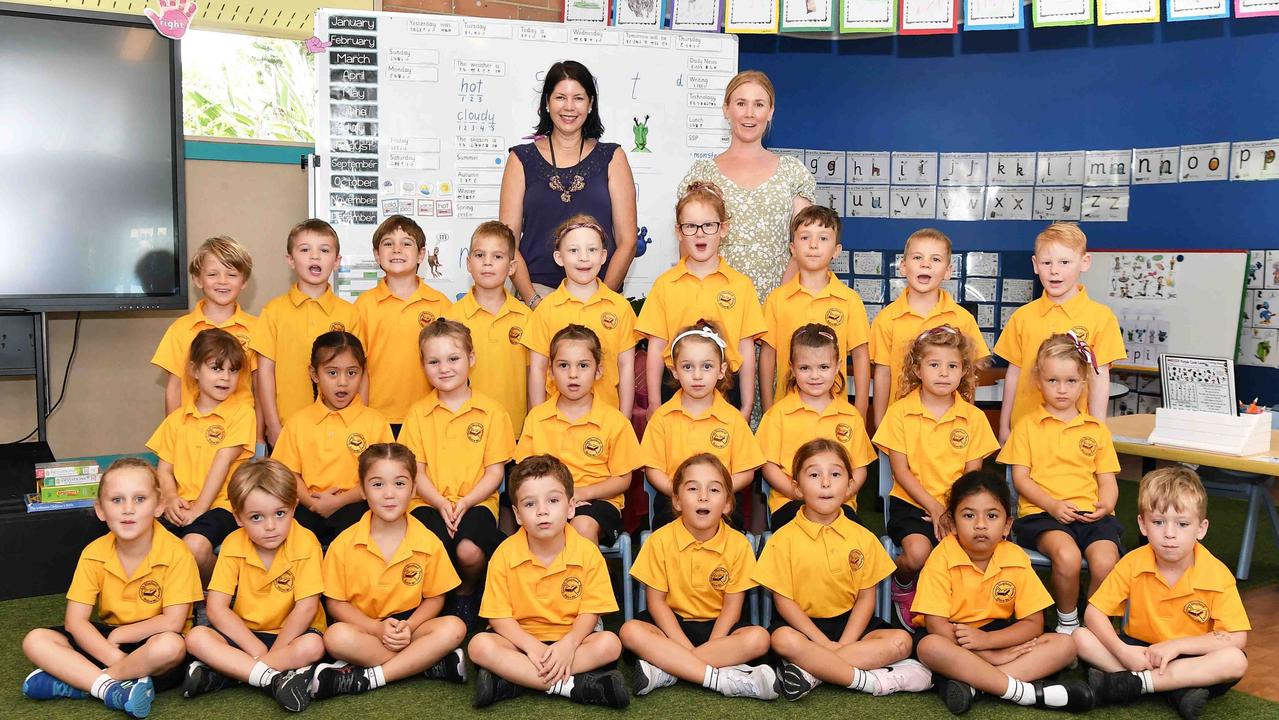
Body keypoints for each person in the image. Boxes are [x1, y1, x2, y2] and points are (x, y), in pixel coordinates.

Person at [21, 458, 201, 718]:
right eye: (117, 500)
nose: (128, 509)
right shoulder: (93, 553)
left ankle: (82, 682)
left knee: (170, 647)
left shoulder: (177, 553)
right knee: (36, 640)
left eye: (140, 499)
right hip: (110, 641)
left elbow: (173, 622)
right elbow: (75, 622)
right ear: (101, 510)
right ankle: (112, 688)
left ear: (159, 505)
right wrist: (115, 657)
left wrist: (122, 637)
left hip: (154, 642)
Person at [754, 439, 930, 702]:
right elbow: (784, 604)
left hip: (852, 626)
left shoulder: (863, 537)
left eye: (835, 474)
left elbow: (866, 598)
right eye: (814, 474)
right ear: (797, 487)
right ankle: (868, 681)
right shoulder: (783, 539)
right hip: (804, 628)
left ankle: (811, 673)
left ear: (850, 485)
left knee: (902, 640)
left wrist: (846, 641)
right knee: (782, 641)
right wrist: (823, 643)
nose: (825, 483)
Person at [1074, 467, 1250, 719]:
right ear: (1143, 524)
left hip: (1191, 655)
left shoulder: (1217, 574)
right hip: (1140, 651)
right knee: (1080, 637)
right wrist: (1122, 651)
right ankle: (1176, 690)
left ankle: (1135, 684)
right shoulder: (1133, 562)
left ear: (1201, 528)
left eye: (1182, 524)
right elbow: (1094, 613)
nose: (1169, 534)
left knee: (1235, 660)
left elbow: (1236, 638)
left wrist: (1177, 646)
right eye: (1158, 522)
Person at [914, 471, 1093, 714]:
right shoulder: (941, 557)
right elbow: (936, 625)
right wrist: (986, 654)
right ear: (953, 524)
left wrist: (989, 642)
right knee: (929, 647)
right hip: (955, 638)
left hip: (999, 636)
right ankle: (1024, 693)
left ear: (1007, 525)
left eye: (992, 515)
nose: (980, 525)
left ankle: (976, 686)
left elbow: (1033, 624)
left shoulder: (1015, 557)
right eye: (968, 516)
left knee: (1065, 645)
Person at [468, 455, 628, 709]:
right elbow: (498, 617)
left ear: (571, 507)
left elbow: (590, 611)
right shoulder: (504, 554)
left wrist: (569, 644)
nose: (542, 511)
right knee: (479, 646)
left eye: (553, 501)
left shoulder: (587, 552)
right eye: (530, 504)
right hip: (520, 641)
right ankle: (575, 687)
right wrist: (531, 646)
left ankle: (514, 680)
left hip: (572, 641)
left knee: (610, 644)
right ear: (518, 515)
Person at [313, 443, 468, 699]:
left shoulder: (428, 541)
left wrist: (409, 627)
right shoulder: (344, 543)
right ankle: (425, 664)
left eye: (399, 483)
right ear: (362, 490)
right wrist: (376, 629)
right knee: (335, 637)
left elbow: (435, 597)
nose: (389, 494)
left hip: (411, 627)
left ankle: (373, 677)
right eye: (377, 484)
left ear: (414, 489)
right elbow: (335, 604)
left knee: (455, 627)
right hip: (365, 629)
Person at [872, 326, 999, 630]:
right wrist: (934, 507)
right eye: (934, 365)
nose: (943, 373)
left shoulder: (974, 418)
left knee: (970, 551)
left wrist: (954, 511)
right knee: (918, 554)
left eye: (952, 366)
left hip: (959, 505)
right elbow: (900, 472)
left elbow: (973, 476)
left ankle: (960, 605)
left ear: (964, 371)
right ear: (917, 369)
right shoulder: (900, 413)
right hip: (912, 502)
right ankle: (902, 582)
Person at [620, 454, 775, 700]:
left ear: (727, 504)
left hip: (719, 629)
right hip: (671, 626)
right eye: (693, 488)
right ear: (678, 501)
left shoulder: (738, 544)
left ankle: (668, 670)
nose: (703, 496)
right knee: (630, 631)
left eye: (714, 489)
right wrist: (684, 646)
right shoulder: (659, 540)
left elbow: (732, 609)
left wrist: (708, 647)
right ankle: (719, 677)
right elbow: (657, 604)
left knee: (759, 639)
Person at [999, 333, 1122, 635]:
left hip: (1091, 515)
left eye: (1070, 381)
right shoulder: (1027, 427)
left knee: (1106, 561)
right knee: (1066, 556)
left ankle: (1095, 624)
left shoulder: (1096, 430)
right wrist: (1053, 505)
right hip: (1042, 515)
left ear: (1084, 383)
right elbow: (1020, 479)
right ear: (1039, 382)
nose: (1062, 389)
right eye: (1053, 380)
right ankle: (1068, 622)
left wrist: (1107, 504)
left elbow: (1107, 481)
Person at [180, 458, 325, 712]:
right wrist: (256, 648)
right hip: (246, 636)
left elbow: (306, 608)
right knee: (196, 638)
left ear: (294, 508)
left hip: (291, 637)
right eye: (256, 517)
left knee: (313, 647)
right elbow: (216, 608)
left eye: (280, 514)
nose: (270, 526)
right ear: (238, 517)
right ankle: (274, 679)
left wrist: (273, 652)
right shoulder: (234, 544)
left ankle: (231, 674)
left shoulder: (306, 542)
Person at [400, 319, 514, 628]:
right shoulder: (417, 414)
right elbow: (416, 472)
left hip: (476, 503)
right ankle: (435, 604)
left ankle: (466, 592)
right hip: (426, 502)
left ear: (471, 359)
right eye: (434, 361)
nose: (444, 368)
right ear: (423, 365)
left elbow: (495, 473)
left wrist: (464, 503)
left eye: (453, 359)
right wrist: (439, 502)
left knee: (467, 550)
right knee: (432, 547)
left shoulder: (492, 412)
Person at [499, 60, 637, 303]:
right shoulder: (520, 159)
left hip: (600, 295)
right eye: (560, 97)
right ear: (547, 103)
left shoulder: (612, 157)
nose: (569, 107)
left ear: (591, 104)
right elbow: (508, 242)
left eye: (579, 98)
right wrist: (533, 301)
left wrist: (602, 299)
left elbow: (627, 242)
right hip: (536, 294)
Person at [678, 70, 815, 303]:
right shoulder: (702, 173)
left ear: (770, 112)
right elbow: (689, 244)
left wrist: (778, 304)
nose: (749, 114)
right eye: (741, 103)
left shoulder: (793, 172)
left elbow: (806, 243)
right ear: (726, 109)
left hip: (780, 305)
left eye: (759, 104)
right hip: (714, 306)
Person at [637, 181, 766, 420]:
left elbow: (746, 350)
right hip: (674, 386)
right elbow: (655, 348)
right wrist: (654, 403)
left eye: (708, 225)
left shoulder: (741, 285)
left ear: (723, 229)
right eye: (690, 226)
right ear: (678, 231)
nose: (699, 233)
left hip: (727, 389)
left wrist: (747, 406)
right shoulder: (665, 285)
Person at [995, 222, 1126, 443]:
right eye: (1047, 263)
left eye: (1065, 262)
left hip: (1075, 434)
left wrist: (1098, 430)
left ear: (1085, 262)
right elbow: (1013, 374)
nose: (1054, 270)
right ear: (1036, 265)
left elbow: (1099, 377)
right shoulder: (1022, 316)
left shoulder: (1101, 317)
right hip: (1025, 433)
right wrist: (1004, 426)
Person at [515, 325, 642, 547]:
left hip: (596, 501)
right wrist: (554, 499)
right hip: (546, 503)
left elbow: (623, 479)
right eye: (563, 366)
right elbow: (524, 471)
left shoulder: (614, 421)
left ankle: (586, 581)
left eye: (583, 365)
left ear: (598, 371)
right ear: (551, 372)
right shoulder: (537, 418)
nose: (573, 374)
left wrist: (583, 492)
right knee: (540, 526)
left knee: (581, 528)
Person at [146, 328, 255, 582]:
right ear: (195, 371)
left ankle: (215, 593)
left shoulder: (242, 414)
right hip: (181, 505)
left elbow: (222, 461)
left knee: (193, 548)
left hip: (223, 508)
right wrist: (171, 499)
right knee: (143, 545)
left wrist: (199, 510)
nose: (226, 377)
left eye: (233, 370)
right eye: (216, 368)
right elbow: (163, 469)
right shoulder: (176, 420)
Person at [271, 332, 393, 545]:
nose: (343, 383)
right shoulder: (298, 422)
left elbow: (383, 476)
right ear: (314, 374)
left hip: (356, 505)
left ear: (363, 374)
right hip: (308, 505)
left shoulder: (376, 422)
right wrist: (312, 503)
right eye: (332, 373)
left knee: (364, 531)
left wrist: (340, 501)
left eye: (352, 373)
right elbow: (288, 473)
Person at [639, 320, 763, 529]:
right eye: (688, 367)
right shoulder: (662, 418)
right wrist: (681, 494)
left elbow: (746, 472)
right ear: (675, 371)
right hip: (674, 504)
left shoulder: (733, 419)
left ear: (722, 370)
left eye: (707, 366)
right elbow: (653, 470)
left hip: (722, 505)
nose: (697, 376)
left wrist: (716, 493)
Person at [252, 219, 363, 446]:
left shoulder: (350, 314)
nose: (315, 257)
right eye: (305, 250)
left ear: (336, 261)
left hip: (340, 431)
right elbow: (264, 373)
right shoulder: (273, 311)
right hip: (286, 429)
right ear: (290, 260)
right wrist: (272, 425)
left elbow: (361, 372)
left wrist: (362, 422)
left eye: (324, 250)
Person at [758, 324, 876, 529]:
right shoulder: (778, 415)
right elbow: (768, 466)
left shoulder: (851, 416)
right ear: (792, 368)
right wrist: (796, 492)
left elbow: (859, 469)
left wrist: (841, 495)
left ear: (838, 365)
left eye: (823, 367)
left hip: (841, 506)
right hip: (791, 504)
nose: (815, 376)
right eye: (805, 368)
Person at [869, 228, 988, 428]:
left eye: (935, 259)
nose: (925, 264)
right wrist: (881, 424)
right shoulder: (886, 319)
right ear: (903, 267)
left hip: (947, 427)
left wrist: (965, 423)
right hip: (900, 428)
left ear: (948, 271)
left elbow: (969, 376)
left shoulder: (962, 319)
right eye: (917, 257)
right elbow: (882, 375)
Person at [760, 205, 870, 418]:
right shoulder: (777, 300)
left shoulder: (849, 300)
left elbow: (861, 356)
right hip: (786, 414)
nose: (813, 245)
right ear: (793, 248)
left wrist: (861, 410)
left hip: (835, 415)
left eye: (823, 238)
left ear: (836, 250)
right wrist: (767, 408)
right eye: (804, 238)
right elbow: (767, 356)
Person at [523, 213, 637, 418]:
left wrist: (625, 418)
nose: (583, 257)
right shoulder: (545, 309)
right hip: (556, 422)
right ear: (559, 257)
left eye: (591, 250)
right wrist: (537, 421)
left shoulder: (620, 307)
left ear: (603, 255)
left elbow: (626, 367)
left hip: (607, 421)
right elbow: (538, 370)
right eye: (574, 250)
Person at [354, 214, 452, 435]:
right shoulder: (363, 305)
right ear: (377, 255)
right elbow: (358, 366)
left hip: (430, 415)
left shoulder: (441, 304)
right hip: (377, 417)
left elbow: (453, 365)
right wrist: (360, 414)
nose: (397, 249)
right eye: (388, 244)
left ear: (421, 254)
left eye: (406, 243)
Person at [150, 236, 257, 419]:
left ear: (244, 282)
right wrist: (174, 434)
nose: (222, 281)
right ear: (198, 280)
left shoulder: (257, 329)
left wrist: (260, 436)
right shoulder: (180, 330)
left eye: (231, 274)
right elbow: (174, 387)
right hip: (192, 433)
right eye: (212, 274)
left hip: (240, 432)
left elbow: (260, 386)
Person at [446, 221, 531, 432]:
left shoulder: (526, 317)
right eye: (479, 255)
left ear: (511, 267)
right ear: (468, 263)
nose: (487, 263)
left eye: (497, 256)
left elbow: (534, 378)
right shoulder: (451, 317)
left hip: (515, 430)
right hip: (466, 430)